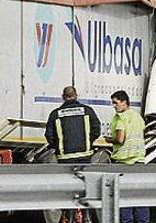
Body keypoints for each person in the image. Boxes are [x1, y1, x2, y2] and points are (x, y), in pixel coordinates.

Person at [104, 90, 149, 223]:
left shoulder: (120, 117)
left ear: (124, 102)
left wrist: (109, 140)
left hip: (124, 162)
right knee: (140, 196)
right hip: (139, 161)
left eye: (115, 103)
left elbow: (120, 139)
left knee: (124, 198)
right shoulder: (137, 116)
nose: (114, 106)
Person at [45, 85, 101, 163]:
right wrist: (88, 140)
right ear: (76, 95)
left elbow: (49, 135)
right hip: (85, 155)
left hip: (64, 156)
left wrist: (58, 146)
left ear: (63, 97)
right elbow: (96, 130)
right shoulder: (87, 111)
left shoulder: (55, 114)